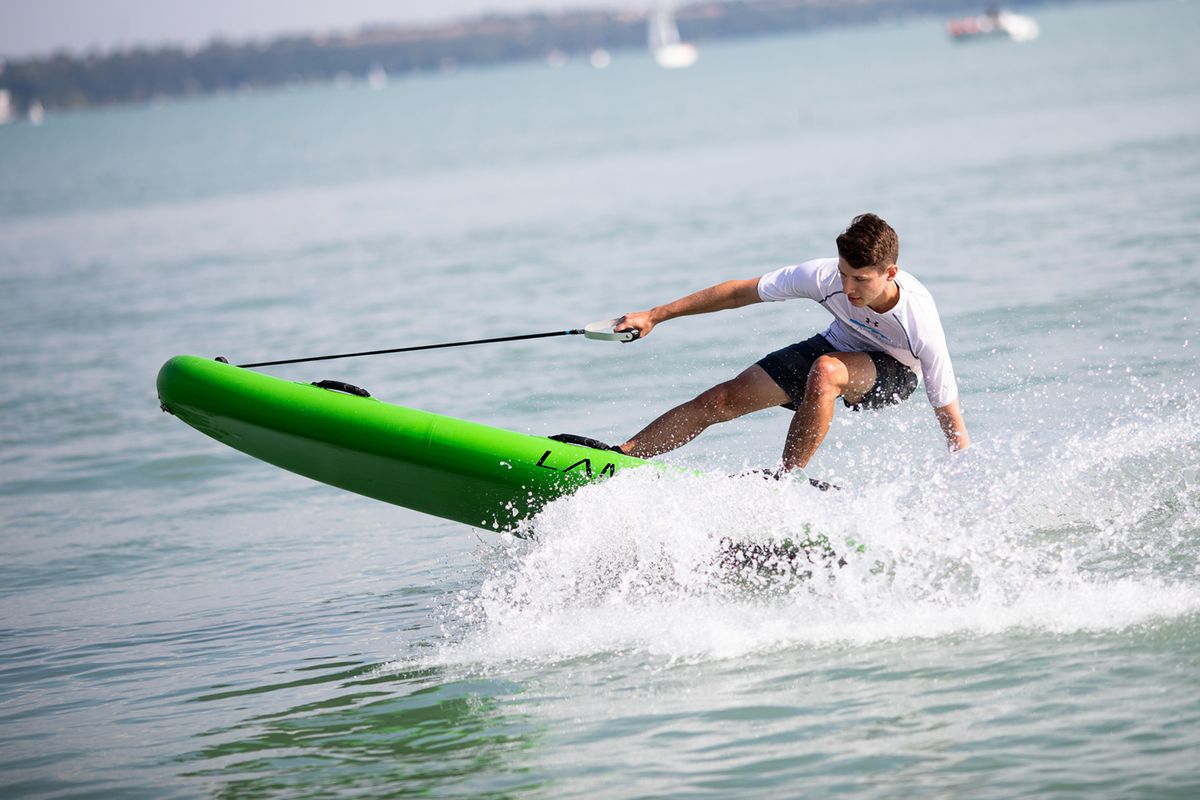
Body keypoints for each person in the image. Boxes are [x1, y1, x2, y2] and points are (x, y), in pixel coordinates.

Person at [599, 213, 969, 473]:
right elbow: (737, 293)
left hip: (895, 373)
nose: (848, 288)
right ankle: (623, 458)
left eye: (860, 279)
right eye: (843, 274)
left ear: (889, 273)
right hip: (839, 345)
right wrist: (655, 315)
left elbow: (947, 408)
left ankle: (786, 480)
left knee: (825, 371)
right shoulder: (823, 277)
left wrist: (961, 470)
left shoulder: (918, 321)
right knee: (720, 399)